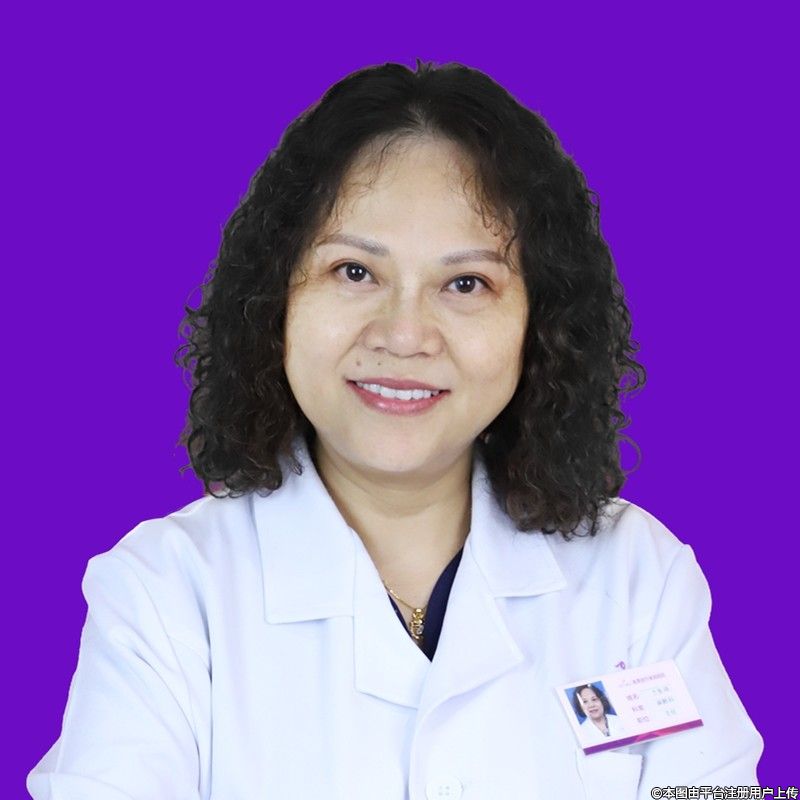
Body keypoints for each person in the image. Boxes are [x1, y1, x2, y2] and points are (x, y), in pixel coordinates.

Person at [26, 59, 762, 800]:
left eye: (466, 283)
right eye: (354, 272)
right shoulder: (165, 593)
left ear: (540, 326)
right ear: (274, 298)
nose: (405, 335)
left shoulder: (636, 579)